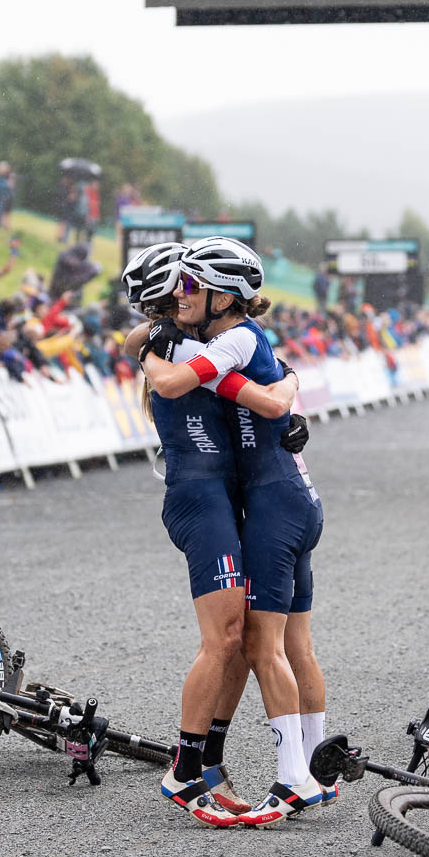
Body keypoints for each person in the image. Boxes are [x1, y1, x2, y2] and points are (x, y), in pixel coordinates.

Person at [141, 238, 327, 824]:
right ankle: (190, 771)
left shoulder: (210, 342)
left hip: (248, 499)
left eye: (192, 286)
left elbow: (261, 376)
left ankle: (239, 767)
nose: (184, 294)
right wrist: (280, 392)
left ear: (220, 297)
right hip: (207, 499)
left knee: (250, 640)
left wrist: (284, 387)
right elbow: (150, 356)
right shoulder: (171, 343)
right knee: (233, 640)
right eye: (178, 287)